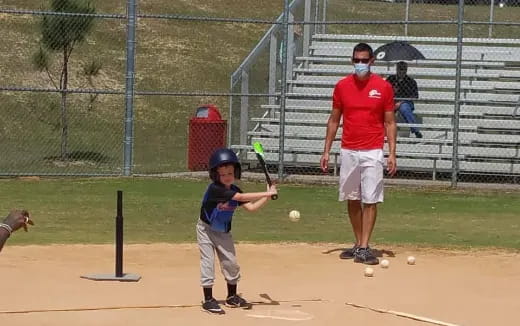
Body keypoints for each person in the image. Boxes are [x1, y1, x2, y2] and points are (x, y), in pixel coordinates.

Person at [320, 43, 397, 266]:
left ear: (372, 61)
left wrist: (392, 153)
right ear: (352, 61)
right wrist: (326, 150)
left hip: (373, 149)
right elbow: (334, 120)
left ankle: (365, 246)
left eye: (364, 60)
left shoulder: (383, 87)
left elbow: (390, 122)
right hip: (349, 149)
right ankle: (358, 243)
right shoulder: (342, 86)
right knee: (352, 197)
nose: (360, 64)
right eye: (357, 60)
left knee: (370, 199)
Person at [197, 148, 277, 314]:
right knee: (208, 262)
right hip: (205, 229)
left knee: (231, 263)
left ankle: (232, 297)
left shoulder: (235, 189)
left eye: (230, 173)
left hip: (223, 232)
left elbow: (252, 207)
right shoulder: (216, 189)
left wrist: (267, 196)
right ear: (215, 175)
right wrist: (267, 191)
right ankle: (208, 299)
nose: (227, 176)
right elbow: (240, 198)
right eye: (223, 174)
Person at [386, 61, 422, 138]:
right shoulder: (390, 79)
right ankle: (382, 130)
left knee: (404, 108)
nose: (401, 71)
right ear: (396, 69)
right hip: (392, 101)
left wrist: (401, 102)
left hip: (405, 102)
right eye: (400, 69)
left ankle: (416, 131)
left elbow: (415, 96)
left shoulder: (411, 81)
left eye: (403, 69)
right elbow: (384, 91)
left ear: (406, 70)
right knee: (384, 108)